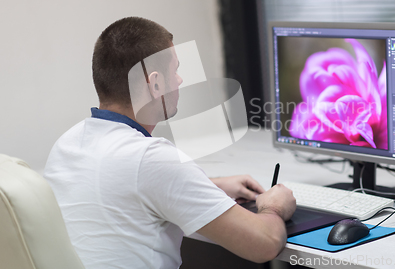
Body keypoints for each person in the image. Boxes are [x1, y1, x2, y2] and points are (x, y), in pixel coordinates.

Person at [44, 17, 296, 269]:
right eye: (174, 70)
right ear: (154, 83)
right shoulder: (151, 158)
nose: (179, 80)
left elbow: (122, 186)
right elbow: (265, 243)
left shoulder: (68, 142)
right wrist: (273, 208)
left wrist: (211, 186)